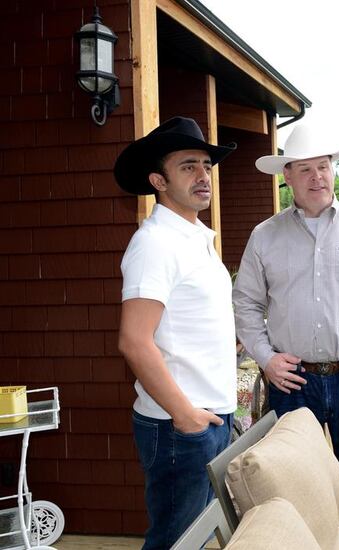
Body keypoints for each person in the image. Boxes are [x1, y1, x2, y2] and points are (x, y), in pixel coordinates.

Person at [232, 124, 339, 549]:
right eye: (304, 169)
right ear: (286, 177)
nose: (317, 177)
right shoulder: (265, 236)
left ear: (334, 170)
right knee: (289, 491)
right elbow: (246, 305)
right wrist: (266, 358)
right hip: (293, 383)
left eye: (324, 167)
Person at [114, 116, 237, 550]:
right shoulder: (155, 245)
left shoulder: (195, 237)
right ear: (157, 180)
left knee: (198, 539)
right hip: (179, 425)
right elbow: (134, 340)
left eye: (206, 165)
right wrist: (186, 417)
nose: (203, 175)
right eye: (188, 166)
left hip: (209, 417)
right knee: (176, 541)